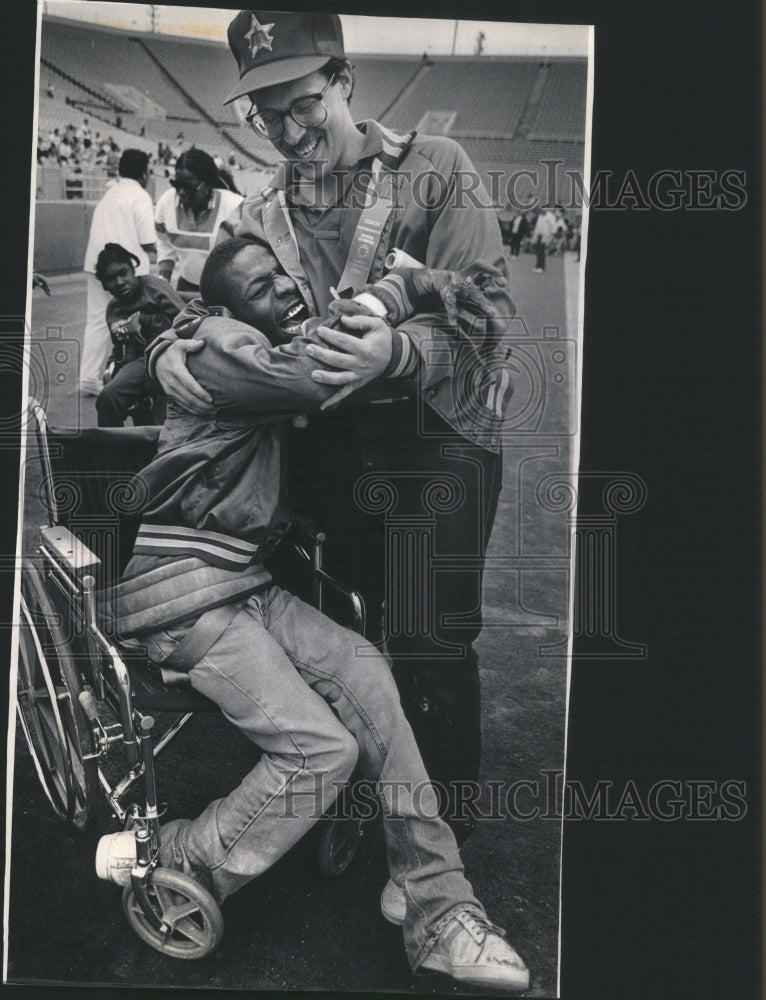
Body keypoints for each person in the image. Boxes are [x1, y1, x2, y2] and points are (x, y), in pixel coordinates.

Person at [99, 237, 528, 993]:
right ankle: (179, 852)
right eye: (261, 288)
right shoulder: (221, 344)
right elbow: (318, 369)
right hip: (185, 592)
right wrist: (409, 290)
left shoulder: (247, 345)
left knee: (368, 669)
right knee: (321, 751)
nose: (284, 294)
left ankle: (441, 907)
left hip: (243, 582)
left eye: (282, 277)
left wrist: (400, 310)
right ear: (225, 309)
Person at [149, 10, 515, 865]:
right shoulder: (262, 209)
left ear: (344, 82)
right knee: (338, 630)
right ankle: (355, 800)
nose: (286, 132)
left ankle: (439, 853)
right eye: (263, 116)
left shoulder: (438, 169)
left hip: (436, 432)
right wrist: (171, 345)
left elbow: (490, 310)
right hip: (325, 442)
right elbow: (204, 306)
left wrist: (397, 349)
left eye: (302, 104)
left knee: (428, 637)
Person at [80, 149, 156, 396]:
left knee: (97, 320)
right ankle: (133, 378)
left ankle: (89, 379)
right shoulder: (140, 196)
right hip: (126, 272)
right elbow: (147, 241)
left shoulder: (109, 194)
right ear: (144, 173)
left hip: (97, 266)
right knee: (137, 322)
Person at [94, 243, 184, 427]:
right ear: (104, 285)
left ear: (133, 269)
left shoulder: (155, 287)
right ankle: (111, 451)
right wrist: (113, 367)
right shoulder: (114, 310)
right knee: (107, 399)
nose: (119, 282)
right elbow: (119, 346)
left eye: (123, 273)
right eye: (111, 279)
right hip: (139, 363)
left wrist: (143, 320)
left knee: (160, 421)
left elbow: (186, 322)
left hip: (171, 354)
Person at [154, 149, 243, 298]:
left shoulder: (234, 206)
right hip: (186, 286)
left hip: (226, 292)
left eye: (189, 187)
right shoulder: (166, 203)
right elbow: (165, 243)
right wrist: (164, 279)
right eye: (176, 185)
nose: (181, 192)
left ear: (208, 185)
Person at [531, 205, 557, 272]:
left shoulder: (551, 217)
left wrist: (551, 238)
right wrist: (534, 236)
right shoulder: (540, 216)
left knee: (541, 251)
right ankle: (537, 265)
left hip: (546, 236)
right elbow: (537, 226)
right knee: (538, 252)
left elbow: (553, 228)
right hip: (539, 236)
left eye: (544, 209)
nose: (542, 210)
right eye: (542, 209)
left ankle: (541, 267)